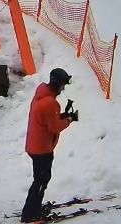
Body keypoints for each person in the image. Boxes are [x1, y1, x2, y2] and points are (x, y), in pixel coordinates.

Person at [21, 67, 78, 222]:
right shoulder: (50, 103)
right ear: (57, 84)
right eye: (63, 85)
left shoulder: (42, 94)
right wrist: (70, 119)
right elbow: (54, 126)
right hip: (42, 149)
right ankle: (30, 214)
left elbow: (49, 120)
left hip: (36, 145)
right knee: (41, 180)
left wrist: (64, 115)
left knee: (41, 179)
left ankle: (33, 208)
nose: (63, 88)